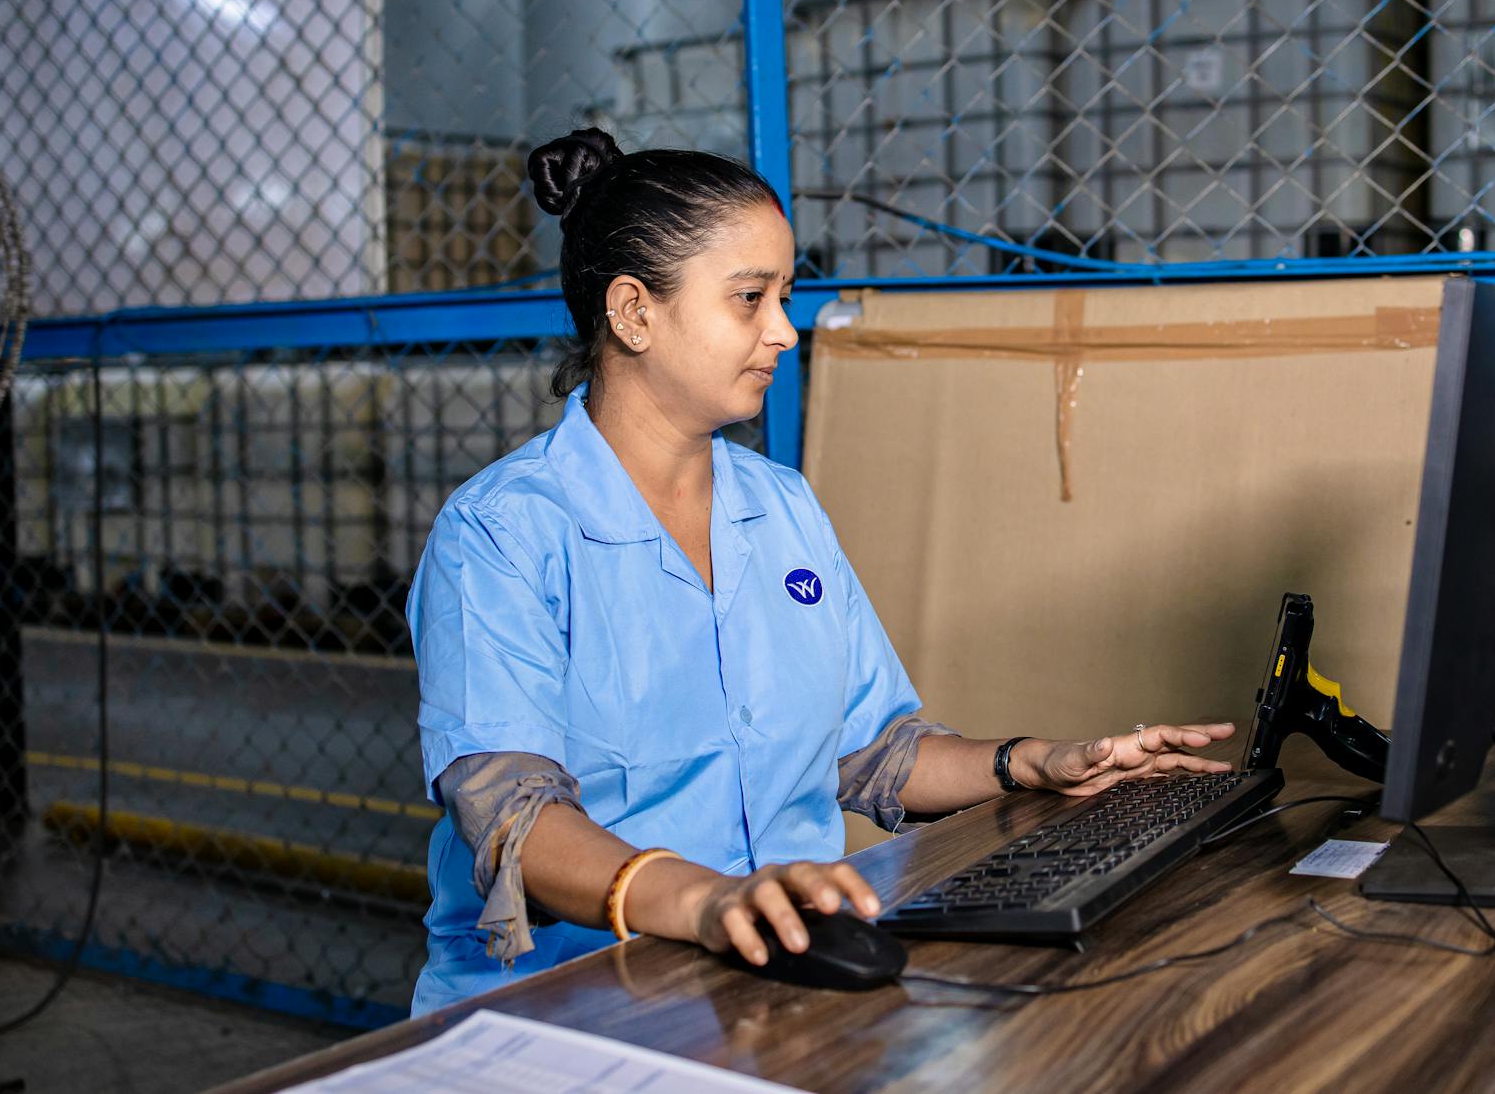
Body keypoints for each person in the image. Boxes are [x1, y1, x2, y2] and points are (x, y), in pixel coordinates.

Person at [407, 127, 1237, 1014]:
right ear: (634, 312)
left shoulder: (784, 508)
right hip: (573, 997)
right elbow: (512, 816)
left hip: (782, 966)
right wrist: (705, 898)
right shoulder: (500, 534)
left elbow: (875, 749)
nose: (784, 332)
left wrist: (1034, 762)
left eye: (786, 296)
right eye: (750, 299)